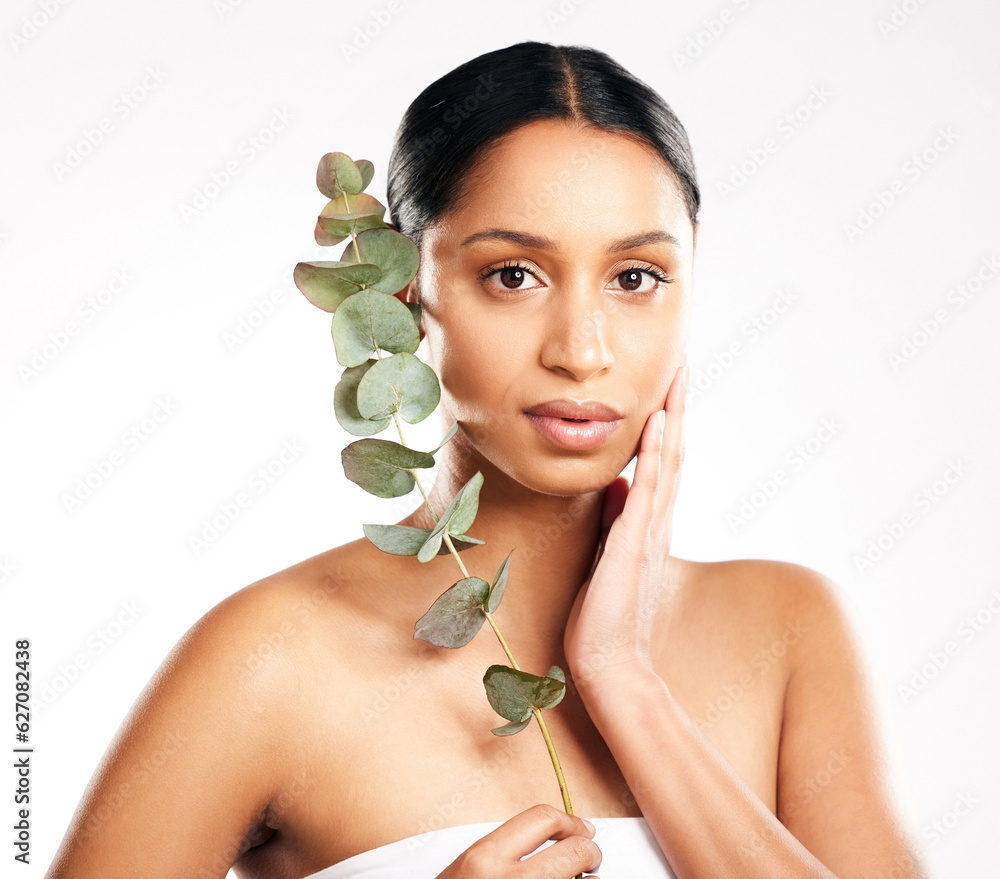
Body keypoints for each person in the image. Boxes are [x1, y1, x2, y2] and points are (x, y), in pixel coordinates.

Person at [44, 40, 932, 879]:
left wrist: (623, 676)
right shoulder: (269, 656)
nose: (582, 351)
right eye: (514, 274)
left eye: (635, 279)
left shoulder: (785, 628)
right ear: (405, 293)